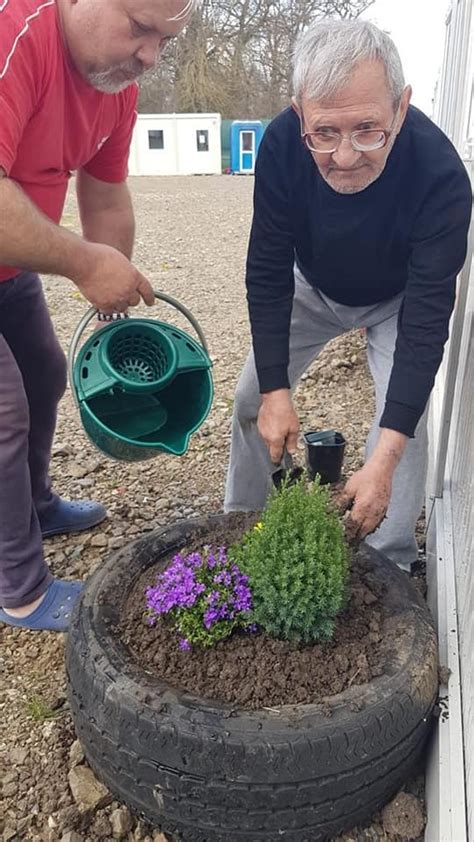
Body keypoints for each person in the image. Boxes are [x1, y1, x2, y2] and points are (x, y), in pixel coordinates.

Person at [224, 19, 472, 572]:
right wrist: (275, 391)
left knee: (402, 428)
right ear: (299, 113)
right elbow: (266, 269)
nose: (344, 156)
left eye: (368, 130)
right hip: (310, 286)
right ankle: (240, 523)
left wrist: (383, 458)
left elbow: (429, 319)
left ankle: (391, 563)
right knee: (250, 403)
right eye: (325, 133)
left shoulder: (442, 177)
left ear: (401, 107)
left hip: (397, 298)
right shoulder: (283, 145)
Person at [0, 0, 199, 631]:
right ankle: (20, 589)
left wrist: (111, 302)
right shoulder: (15, 38)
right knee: (3, 411)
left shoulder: (115, 87)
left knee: (44, 372)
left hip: (8, 267)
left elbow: (107, 191)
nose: (150, 55)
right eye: (141, 29)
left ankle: (31, 504)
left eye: (164, 41)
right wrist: (84, 265)